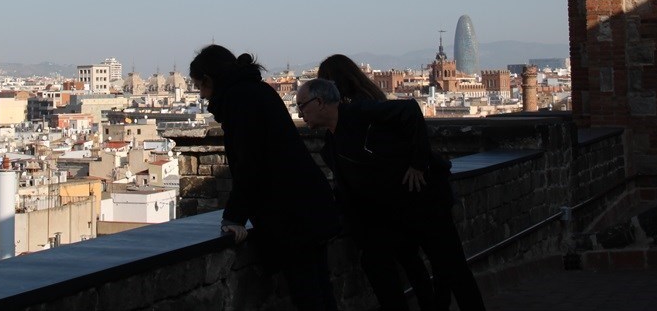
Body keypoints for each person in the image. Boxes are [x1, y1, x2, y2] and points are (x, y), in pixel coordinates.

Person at [298, 75, 486, 311]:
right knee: (381, 264)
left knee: (453, 270)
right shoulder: (331, 145)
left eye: (302, 105)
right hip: (396, 214)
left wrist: (418, 164)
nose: (300, 112)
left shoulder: (359, 112)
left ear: (320, 102)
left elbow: (410, 109)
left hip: (424, 203)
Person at [190, 44, 340, 311]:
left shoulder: (239, 101)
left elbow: (251, 164)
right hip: (309, 206)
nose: (202, 96)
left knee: (309, 294)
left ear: (210, 80)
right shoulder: (255, 91)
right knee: (320, 290)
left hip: (293, 216)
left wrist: (233, 217)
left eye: (201, 87)